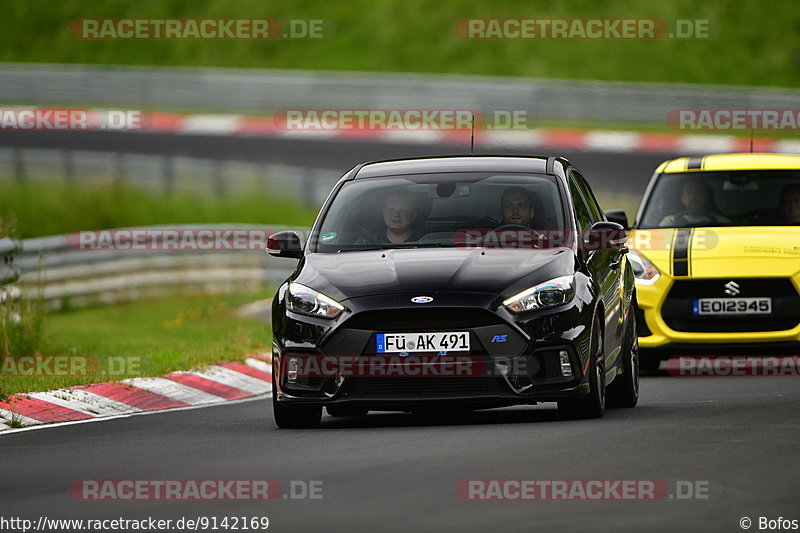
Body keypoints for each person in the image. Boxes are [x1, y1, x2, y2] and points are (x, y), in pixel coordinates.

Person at [659, 180, 729, 226]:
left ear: (706, 197)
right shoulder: (670, 223)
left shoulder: (721, 222)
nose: (693, 196)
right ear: (682, 199)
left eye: (699, 192)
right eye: (689, 192)